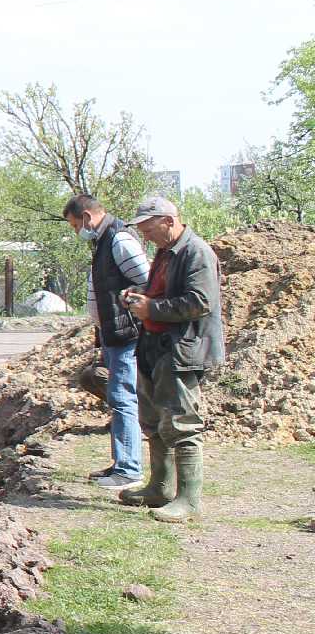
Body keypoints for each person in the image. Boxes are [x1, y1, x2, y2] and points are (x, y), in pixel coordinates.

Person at [117, 195, 225, 522]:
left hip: (182, 350)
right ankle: (160, 488)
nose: (145, 237)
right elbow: (163, 295)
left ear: (168, 221)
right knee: (153, 422)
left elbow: (199, 302)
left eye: (149, 229)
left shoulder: (196, 253)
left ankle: (188, 500)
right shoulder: (166, 253)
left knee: (183, 423)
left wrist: (152, 308)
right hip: (156, 347)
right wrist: (139, 299)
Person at [62, 194, 149, 488]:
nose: (77, 232)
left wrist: (129, 309)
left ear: (87, 217)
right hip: (113, 334)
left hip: (126, 334)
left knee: (124, 398)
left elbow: (148, 283)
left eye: (75, 226)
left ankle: (129, 470)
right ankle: (120, 464)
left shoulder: (120, 240)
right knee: (117, 397)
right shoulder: (103, 241)